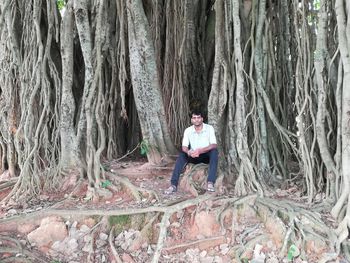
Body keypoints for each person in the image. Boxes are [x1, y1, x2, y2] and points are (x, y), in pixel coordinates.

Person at [165, 110, 218, 194]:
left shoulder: (209, 128)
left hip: (205, 156)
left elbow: (214, 145)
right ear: (191, 120)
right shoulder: (188, 130)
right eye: (194, 118)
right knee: (182, 155)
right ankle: (173, 185)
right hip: (193, 156)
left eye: (198, 118)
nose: (196, 120)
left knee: (214, 152)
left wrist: (200, 150)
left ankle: (210, 182)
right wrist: (189, 152)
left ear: (202, 119)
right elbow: (184, 147)